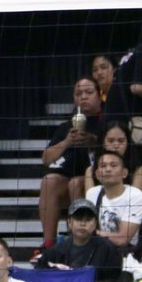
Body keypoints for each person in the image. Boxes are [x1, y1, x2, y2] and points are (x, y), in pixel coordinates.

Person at [38, 76, 103, 246]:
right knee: (49, 181)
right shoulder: (66, 127)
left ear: (99, 95)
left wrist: (94, 141)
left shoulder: (107, 121)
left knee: (76, 183)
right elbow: (46, 158)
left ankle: (77, 242)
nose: (83, 96)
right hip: (67, 184)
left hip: (98, 182)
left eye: (89, 92)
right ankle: (48, 245)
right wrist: (67, 142)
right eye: (78, 93)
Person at [34, 198, 123, 282]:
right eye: (78, 219)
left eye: (88, 219)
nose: (83, 224)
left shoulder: (108, 249)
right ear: (69, 222)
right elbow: (39, 273)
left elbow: (113, 281)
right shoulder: (56, 251)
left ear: (95, 223)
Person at [85, 150, 142, 249]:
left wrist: (90, 232)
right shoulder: (92, 194)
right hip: (101, 251)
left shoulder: (136, 196)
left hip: (131, 254)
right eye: (103, 166)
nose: (108, 169)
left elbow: (122, 240)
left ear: (124, 173)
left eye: (113, 165)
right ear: (97, 174)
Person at [83, 120, 142, 192]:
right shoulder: (90, 171)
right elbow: (90, 200)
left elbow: (136, 199)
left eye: (121, 141)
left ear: (128, 143)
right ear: (103, 143)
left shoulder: (138, 170)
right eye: (110, 141)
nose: (116, 145)